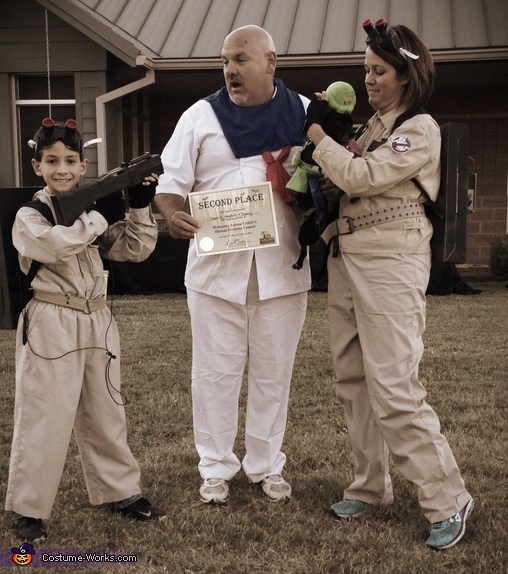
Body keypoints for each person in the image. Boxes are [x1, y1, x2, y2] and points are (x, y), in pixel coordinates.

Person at [305, 20, 474, 550]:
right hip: (348, 256)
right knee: (352, 380)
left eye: (378, 71)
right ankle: (370, 485)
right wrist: (332, 153)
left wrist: (316, 138)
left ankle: (448, 498)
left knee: (396, 388)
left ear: (405, 73)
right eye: (365, 70)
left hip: (390, 262)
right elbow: (342, 177)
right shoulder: (372, 128)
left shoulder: (419, 128)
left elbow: (360, 178)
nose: (368, 80)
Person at [155, 25, 311, 504]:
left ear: (271, 62)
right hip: (214, 273)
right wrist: (171, 215)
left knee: (273, 373)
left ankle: (267, 466)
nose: (230, 70)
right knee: (214, 374)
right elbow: (170, 183)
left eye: (240, 59)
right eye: (225, 61)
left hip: (281, 268)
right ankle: (216, 467)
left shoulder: (306, 113)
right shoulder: (199, 116)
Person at [6, 118, 166, 543]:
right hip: (51, 319)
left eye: (71, 161)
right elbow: (53, 245)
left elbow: (135, 248)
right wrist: (99, 214)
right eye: (52, 160)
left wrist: (137, 203)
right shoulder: (31, 215)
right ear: (37, 166)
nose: (62, 169)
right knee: (45, 416)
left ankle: (120, 491)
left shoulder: (86, 211)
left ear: (84, 165)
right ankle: (28, 508)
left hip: (97, 318)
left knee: (106, 410)